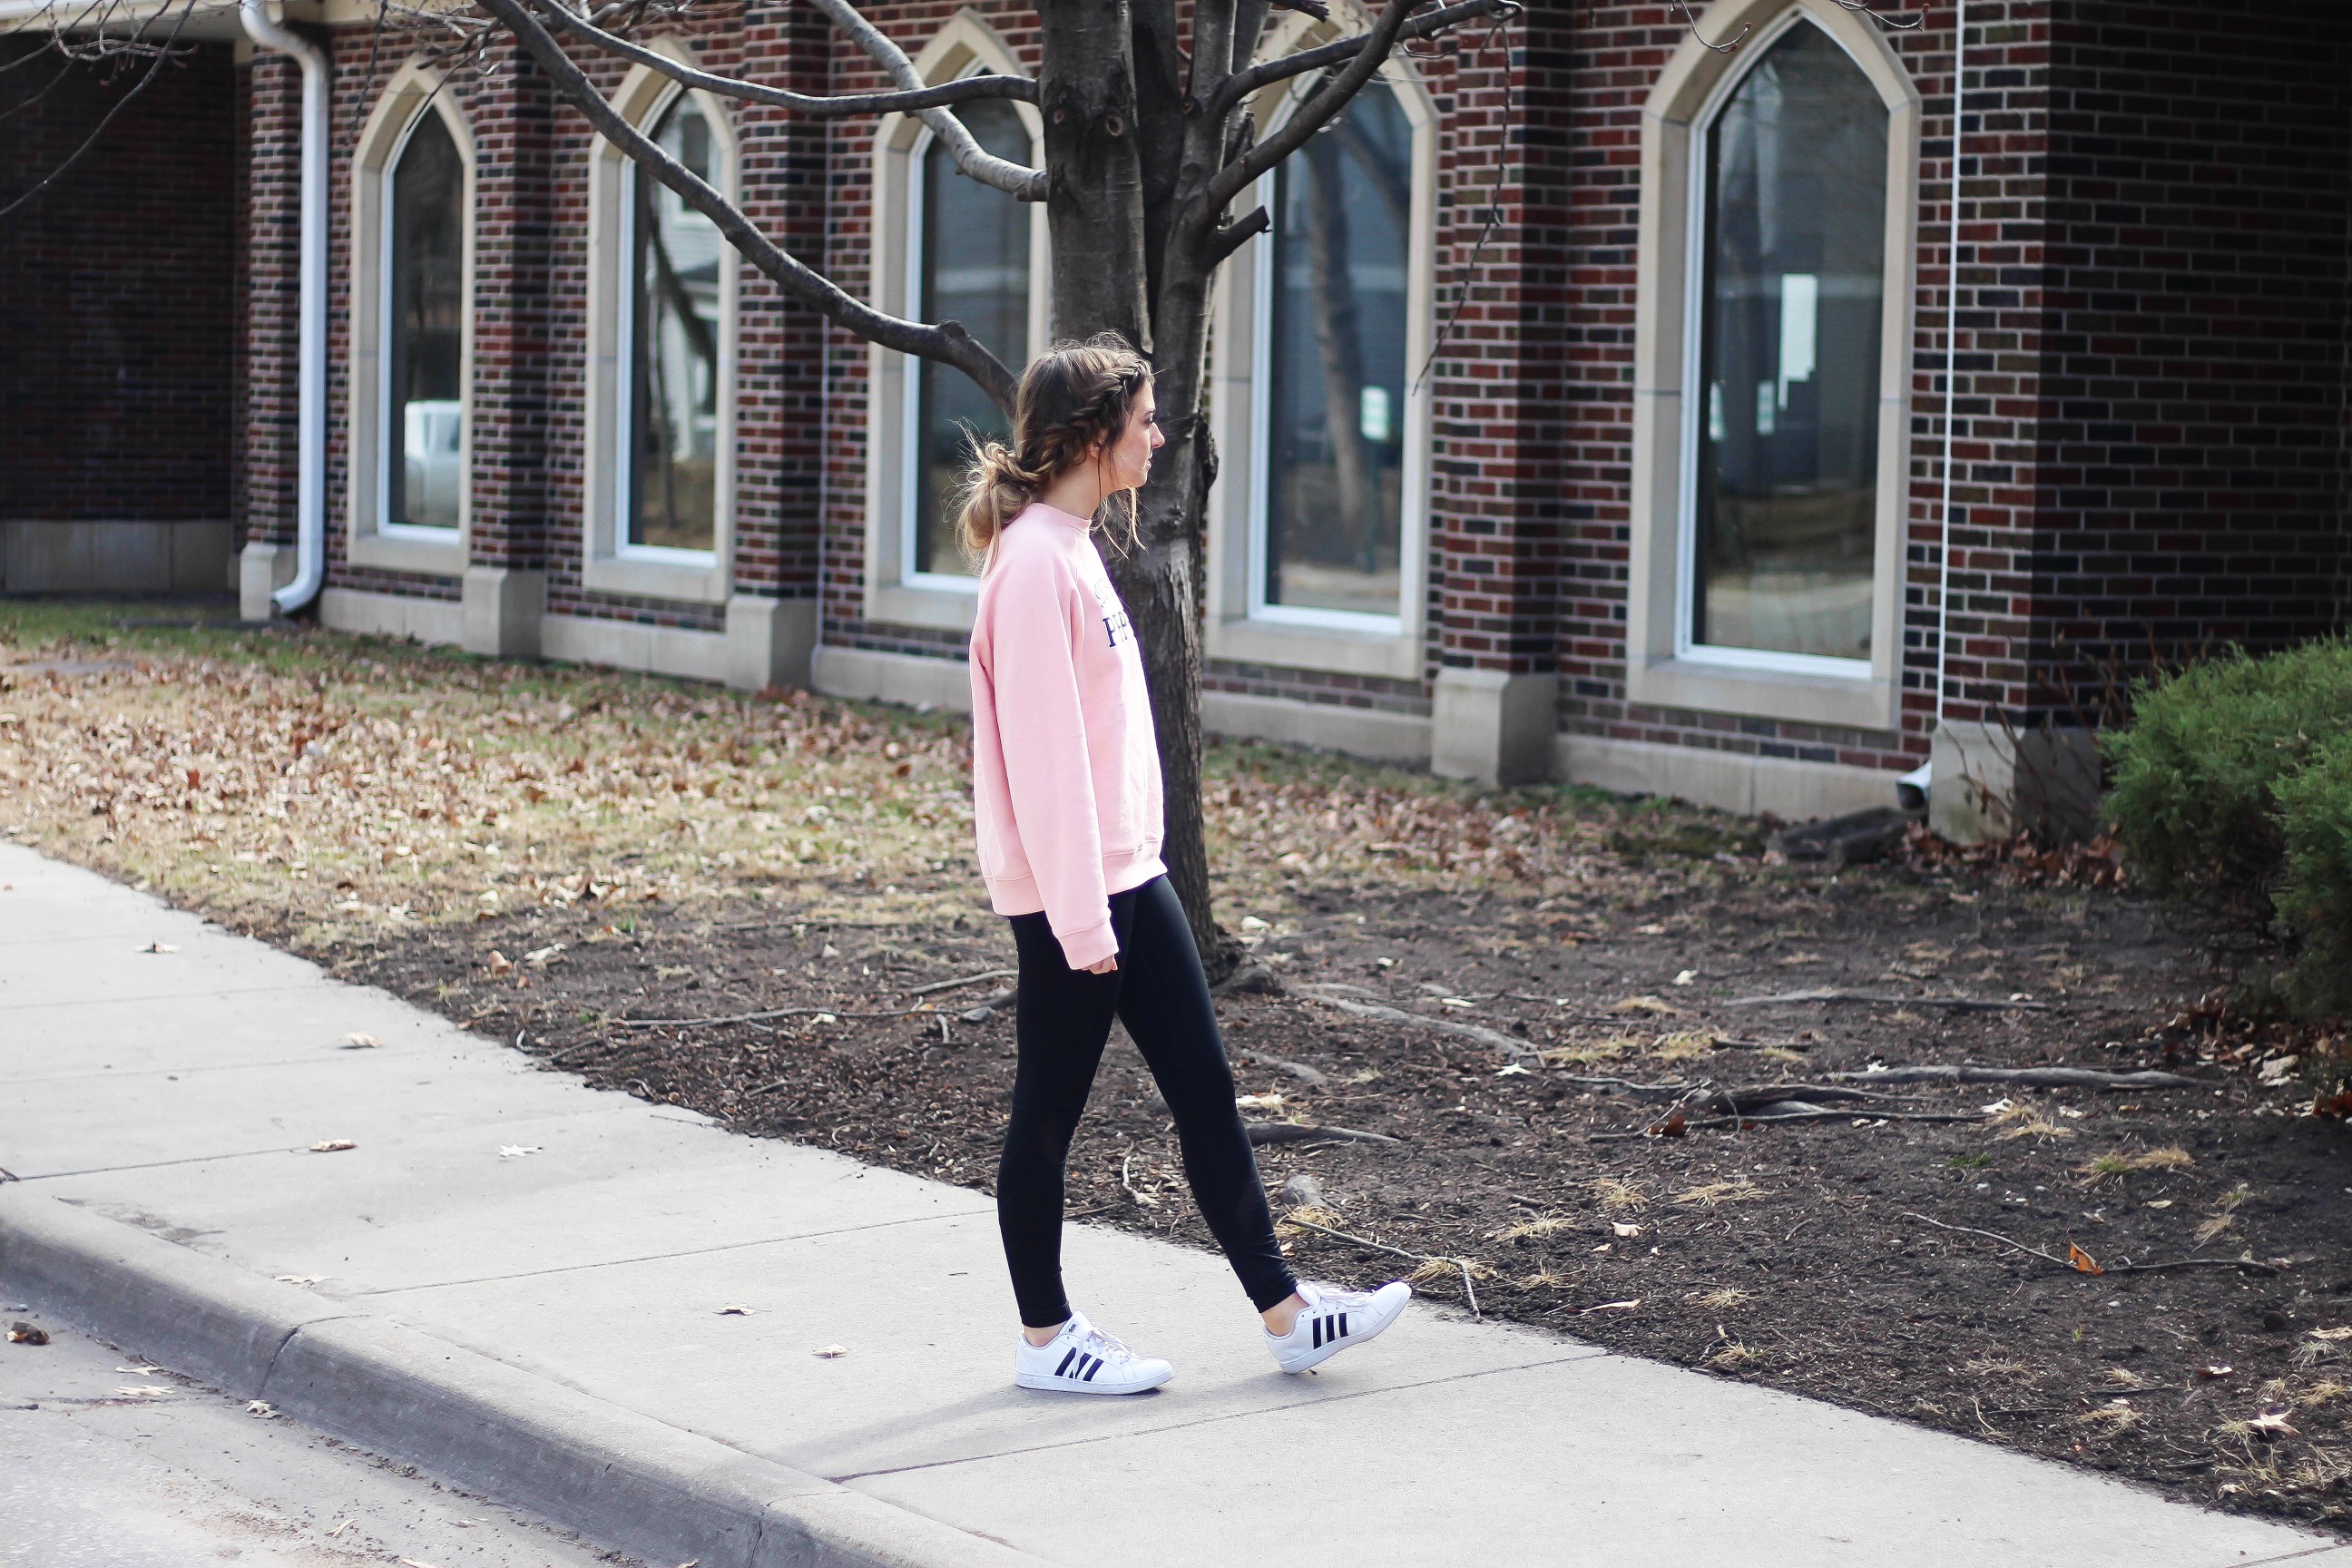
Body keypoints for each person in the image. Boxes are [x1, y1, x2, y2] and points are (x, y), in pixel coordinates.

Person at [960, 334, 1411, 1396]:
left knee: (1203, 1090)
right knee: (1047, 1114)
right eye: (1145, 420)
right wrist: (1081, 923)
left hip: (1123, 874)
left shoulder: (1071, 544)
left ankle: (1290, 1315)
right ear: (1093, 436)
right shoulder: (1034, 565)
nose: (1159, 437)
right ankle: (1044, 1343)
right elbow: (1046, 759)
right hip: (1090, 895)